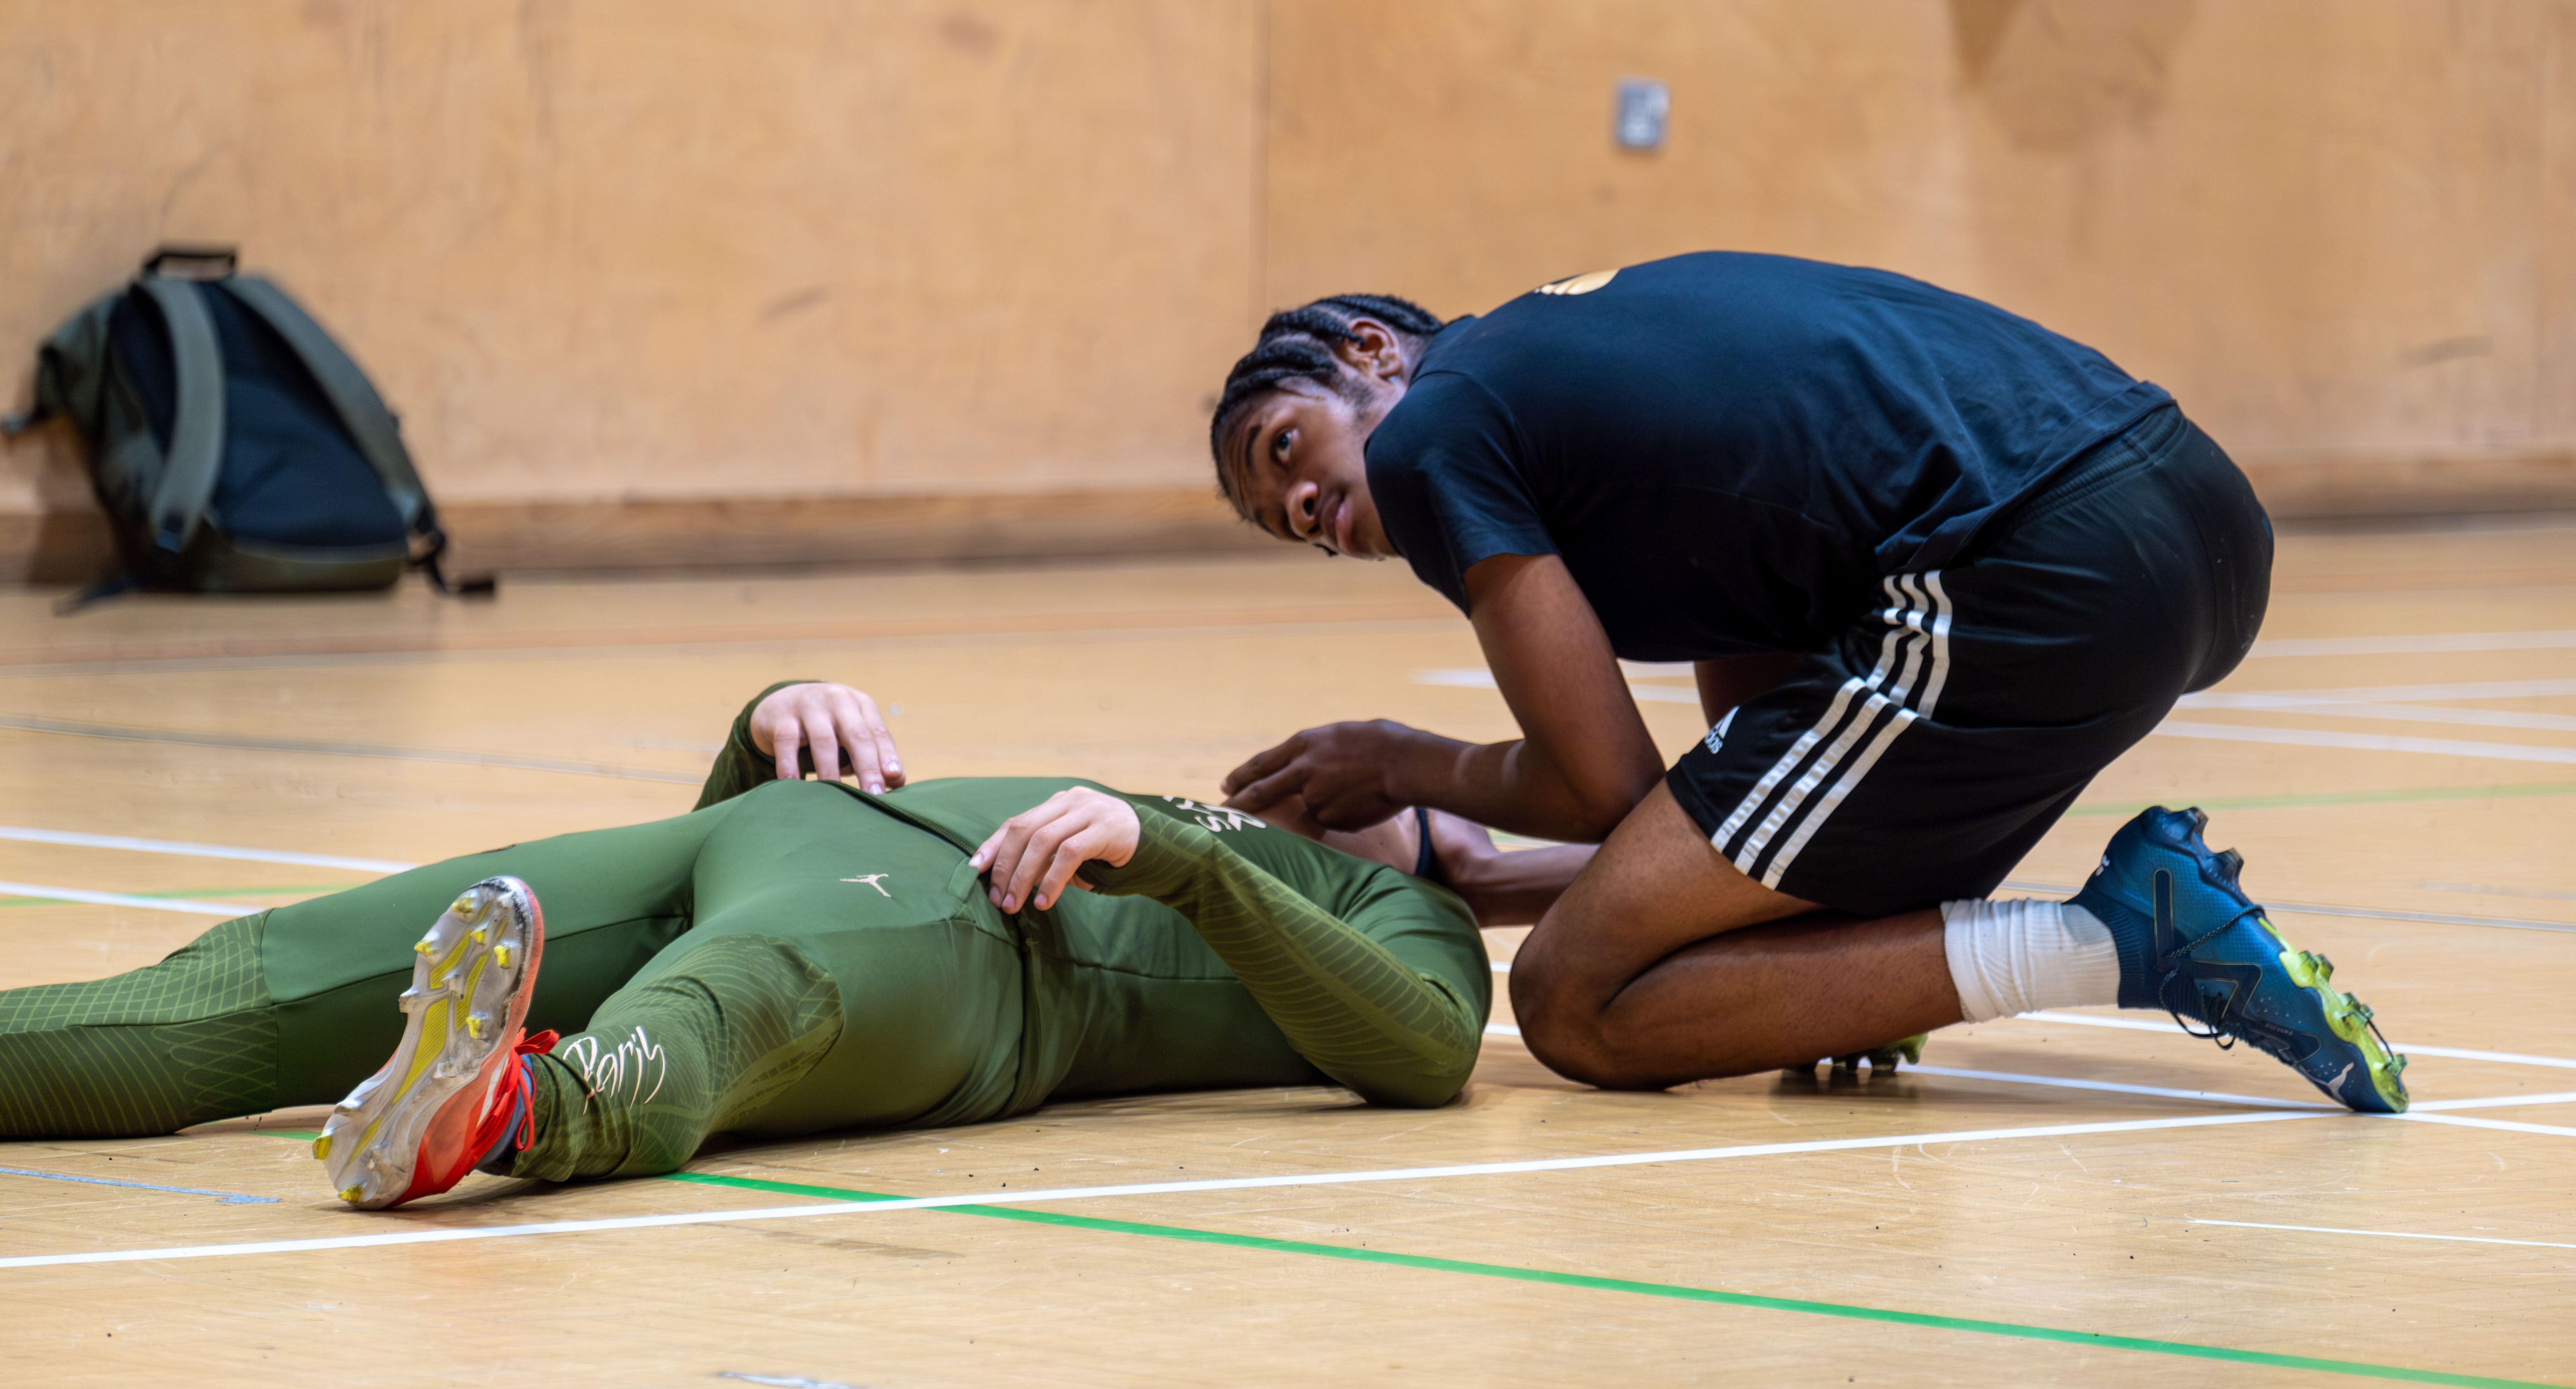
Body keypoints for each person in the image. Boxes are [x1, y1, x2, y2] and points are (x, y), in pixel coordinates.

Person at [1205, 251, 2408, 1113]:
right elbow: (1722, 835)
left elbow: (1600, 786)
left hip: (2030, 557)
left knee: (1572, 1003)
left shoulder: (1434, 439)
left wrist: (1403, 764)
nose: (1309, 512)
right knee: (1792, 910)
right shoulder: (1576, 382)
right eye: (1288, 527)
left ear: (1369, 352)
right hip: (2191, 524)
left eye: (1286, 453)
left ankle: (2117, 941)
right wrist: (1474, 873)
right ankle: (1997, 958)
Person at [0, 680, 1535, 1209]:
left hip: (988, 956)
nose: (1336, 775)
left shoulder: (1402, 912)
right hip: (775, 835)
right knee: (272, 981)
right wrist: (767, 726)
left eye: (1392, 782)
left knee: (753, 997)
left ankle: (500, 1112)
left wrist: (1198, 862)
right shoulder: (1199, 815)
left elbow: (1414, 1055)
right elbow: (744, 835)